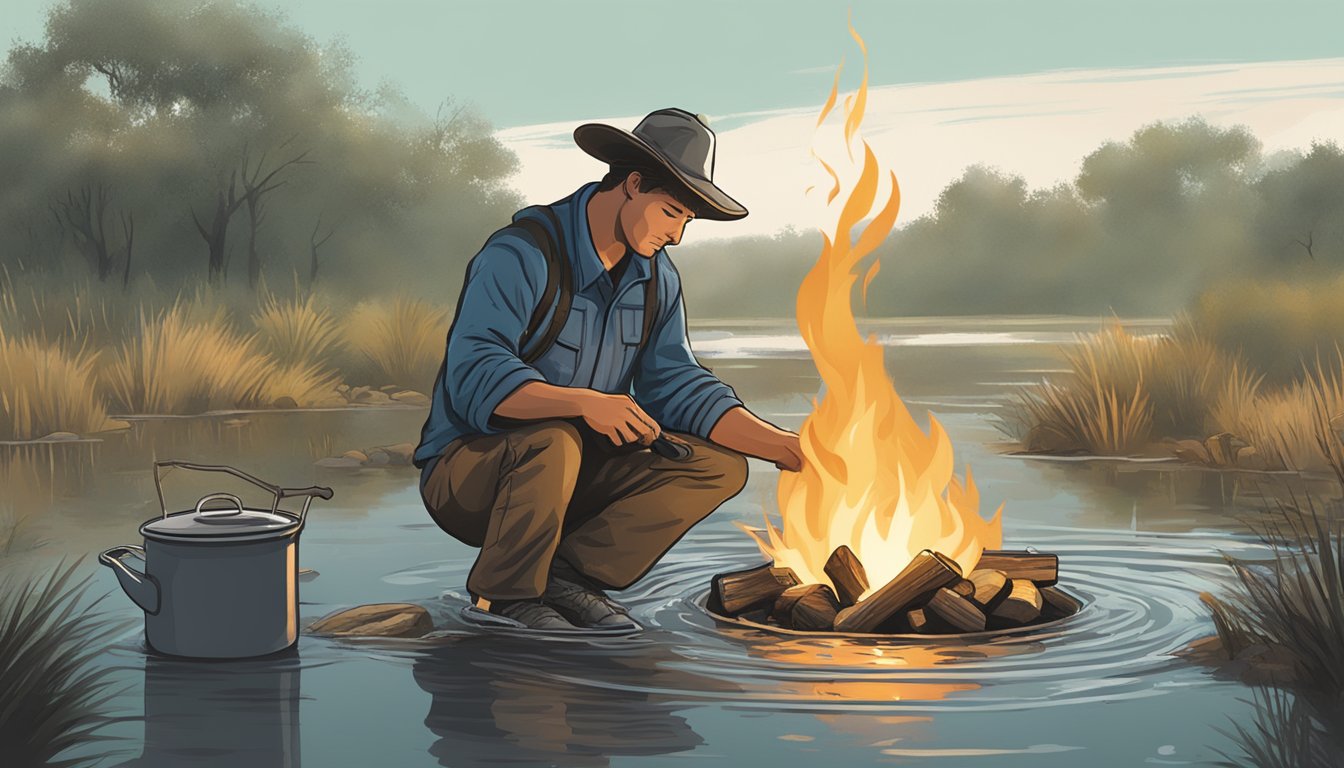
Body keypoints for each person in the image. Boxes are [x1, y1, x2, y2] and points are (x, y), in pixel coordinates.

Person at [415, 107, 803, 631]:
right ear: (633, 185)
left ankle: (566, 577)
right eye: (671, 213)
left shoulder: (656, 280)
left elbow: (678, 386)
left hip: (577, 478)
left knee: (719, 466)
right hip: (469, 478)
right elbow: (475, 374)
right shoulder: (521, 254)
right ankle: (504, 596)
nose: (678, 237)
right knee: (554, 440)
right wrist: (583, 404)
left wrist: (782, 447)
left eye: (686, 221)